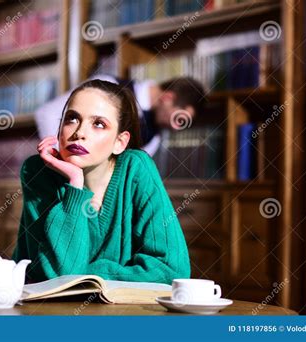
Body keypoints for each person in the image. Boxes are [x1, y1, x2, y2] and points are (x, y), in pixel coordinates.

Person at [13, 79, 190, 284]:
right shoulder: (37, 172)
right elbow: (58, 278)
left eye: (98, 124)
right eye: (71, 119)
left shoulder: (136, 168)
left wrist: (91, 274)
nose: (79, 133)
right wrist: (75, 185)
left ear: (119, 142)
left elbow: (172, 270)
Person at [35, 75, 205, 156]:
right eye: (180, 119)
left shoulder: (153, 139)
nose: (176, 128)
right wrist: (60, 158)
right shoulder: (109, 86)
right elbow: (47, 115)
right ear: (168, 98)